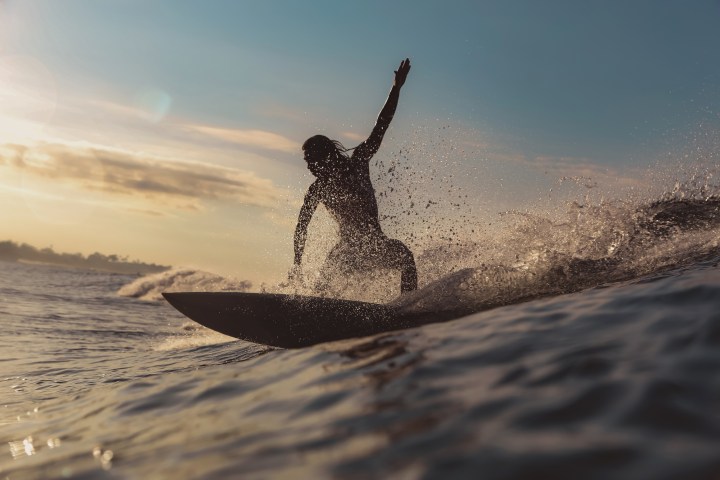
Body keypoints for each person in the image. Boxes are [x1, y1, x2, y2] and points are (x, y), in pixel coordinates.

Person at [292, 58, 417, 294]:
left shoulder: (358, 163)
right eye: (307, 162)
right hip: (346, 251)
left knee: (405, 257)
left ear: (326, 155)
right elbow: (301, 227)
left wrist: (395, 88)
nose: (309, 167)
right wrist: (297, 263)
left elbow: (381, 125)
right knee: (321, 292)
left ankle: (407, 307)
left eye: (312, 160)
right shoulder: (317, 189)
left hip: (375, 245)